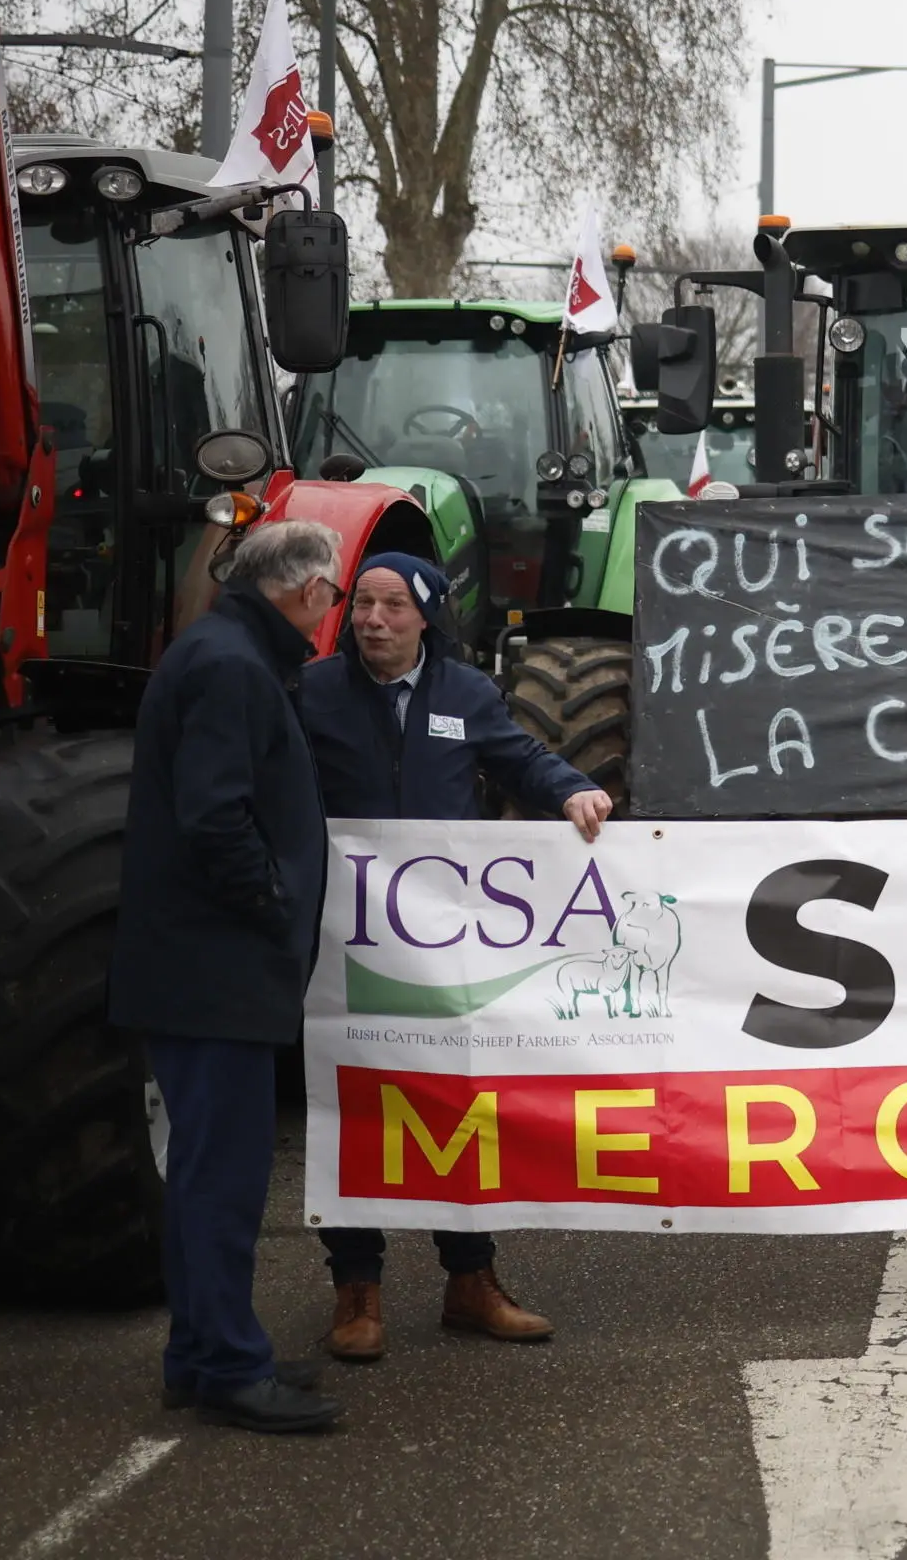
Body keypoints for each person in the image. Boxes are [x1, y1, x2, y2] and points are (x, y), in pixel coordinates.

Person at [294, 552, 613, 1363]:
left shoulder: (466, 695)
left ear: (426, 617)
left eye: (392, 606)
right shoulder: (315, 691)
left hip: (442, 944)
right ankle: (356, 1289)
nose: (372, 620)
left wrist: (571, 788)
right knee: (354, 1101)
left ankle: (471, 1280)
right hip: (344, 938)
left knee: (453, 1103)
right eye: (362, 604)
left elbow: (519, 759)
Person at [111, 519, 346, 1433]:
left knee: (215, 1170)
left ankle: (204, 1352)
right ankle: (226, 1370)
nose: (330, 612)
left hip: (209, 967)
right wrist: (276, 910)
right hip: (215, 969)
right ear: (306, 591)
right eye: (331, 594)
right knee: (222, 1178)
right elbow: (217, 820)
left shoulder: (228, 651)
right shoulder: (233, 666)